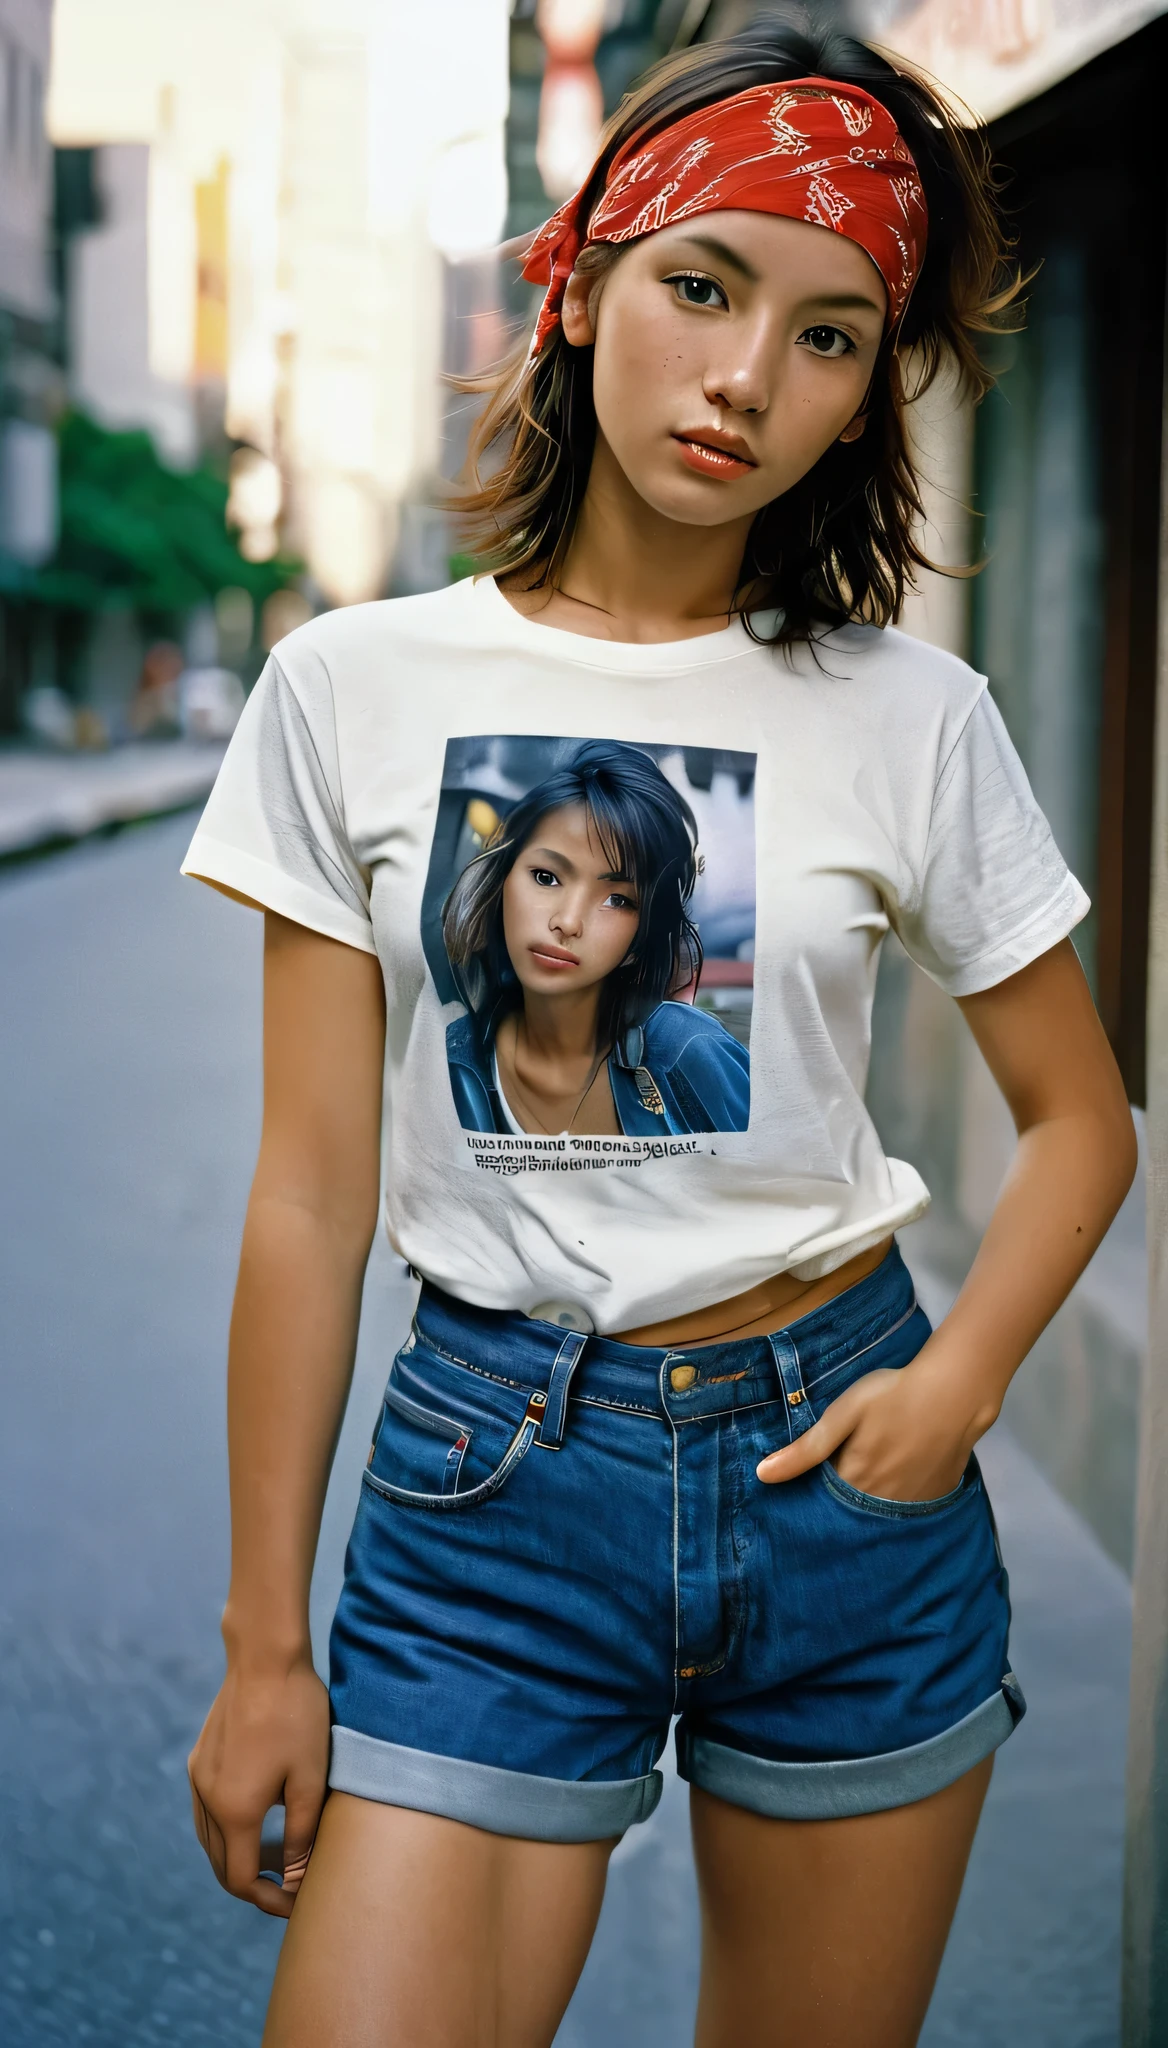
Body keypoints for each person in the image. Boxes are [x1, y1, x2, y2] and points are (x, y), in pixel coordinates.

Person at [181, 15, 1136, 2047]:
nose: (742, 378)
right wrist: (269, 1646)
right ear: (579, 273)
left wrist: (955, 1381)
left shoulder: (912, 713)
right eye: (701, 286)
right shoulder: (351, 683)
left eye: (827, 331)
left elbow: (1076, 1120)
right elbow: (305, 1193)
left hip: (839, 1472)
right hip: (487, 1498)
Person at [442, 738, 751, 1136]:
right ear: (499, 883)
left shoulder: (690, 1051)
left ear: (642, 934)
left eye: (617, 899)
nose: (568, 922)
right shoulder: (452, 1058)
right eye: (546, 877)